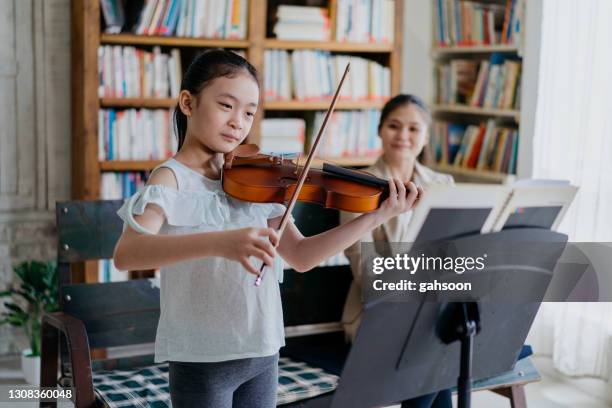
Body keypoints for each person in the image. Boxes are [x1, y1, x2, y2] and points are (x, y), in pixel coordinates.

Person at [112, 49, 422, 408]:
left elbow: (302, 256)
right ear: (187, 102)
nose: (238, 123)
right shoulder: (171, 179)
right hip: (202, 355)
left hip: (262, 348)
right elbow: (127, 253)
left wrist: (375, 216)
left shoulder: (253, 180)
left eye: (248, 112)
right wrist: (223, 242)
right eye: (226, 105)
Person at [340, 94, 454, 408]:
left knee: (437, 342)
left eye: (414, 129)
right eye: (394, 126)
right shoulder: (357, 186)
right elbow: (365, 268)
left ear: (426, 136)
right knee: (432, 350)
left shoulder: (443, 184)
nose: (403, 136)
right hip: (376, 310)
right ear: (379, 130)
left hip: (430, 309)